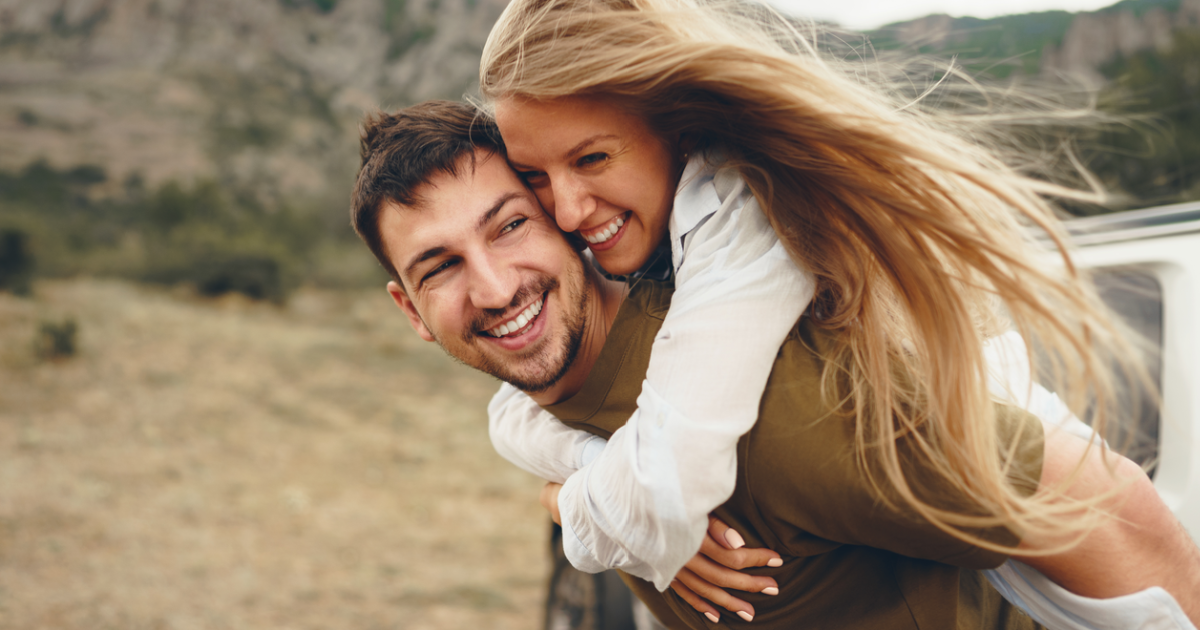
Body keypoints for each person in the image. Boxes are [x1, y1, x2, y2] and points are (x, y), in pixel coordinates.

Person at [349, 101, 1200, 628]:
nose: (494, 287)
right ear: (410, 311)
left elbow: (1111, 511)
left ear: (559, 218)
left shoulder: (771, 412)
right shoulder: (566, 410)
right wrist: (599, 502)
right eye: (441, 266)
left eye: (508, 226)